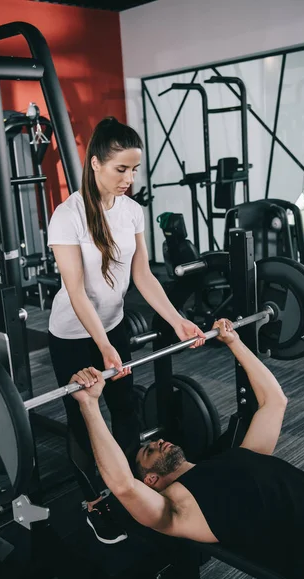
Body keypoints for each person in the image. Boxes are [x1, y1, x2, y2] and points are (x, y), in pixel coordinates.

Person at [69, 319, 304, 579]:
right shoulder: (177, 509)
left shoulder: (242, 455)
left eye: (152, 442)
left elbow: (275, 401)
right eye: (149, 451)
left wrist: (234, 342)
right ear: (150, 479)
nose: (156, 442)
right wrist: (89, 404)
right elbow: (123, 486)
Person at [47, 116, 205, 545]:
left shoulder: (132, 211)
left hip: (113, 328)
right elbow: (76, 291)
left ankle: (133, 489)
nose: (129, 179)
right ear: (96, 164)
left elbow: (144, 277)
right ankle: (97, 502)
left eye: (134, 170)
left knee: (126, 407)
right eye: (121, 169)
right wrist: (102, 345)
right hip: (73, 335)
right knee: (86, 419)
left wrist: (178, 320)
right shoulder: (68, 216)